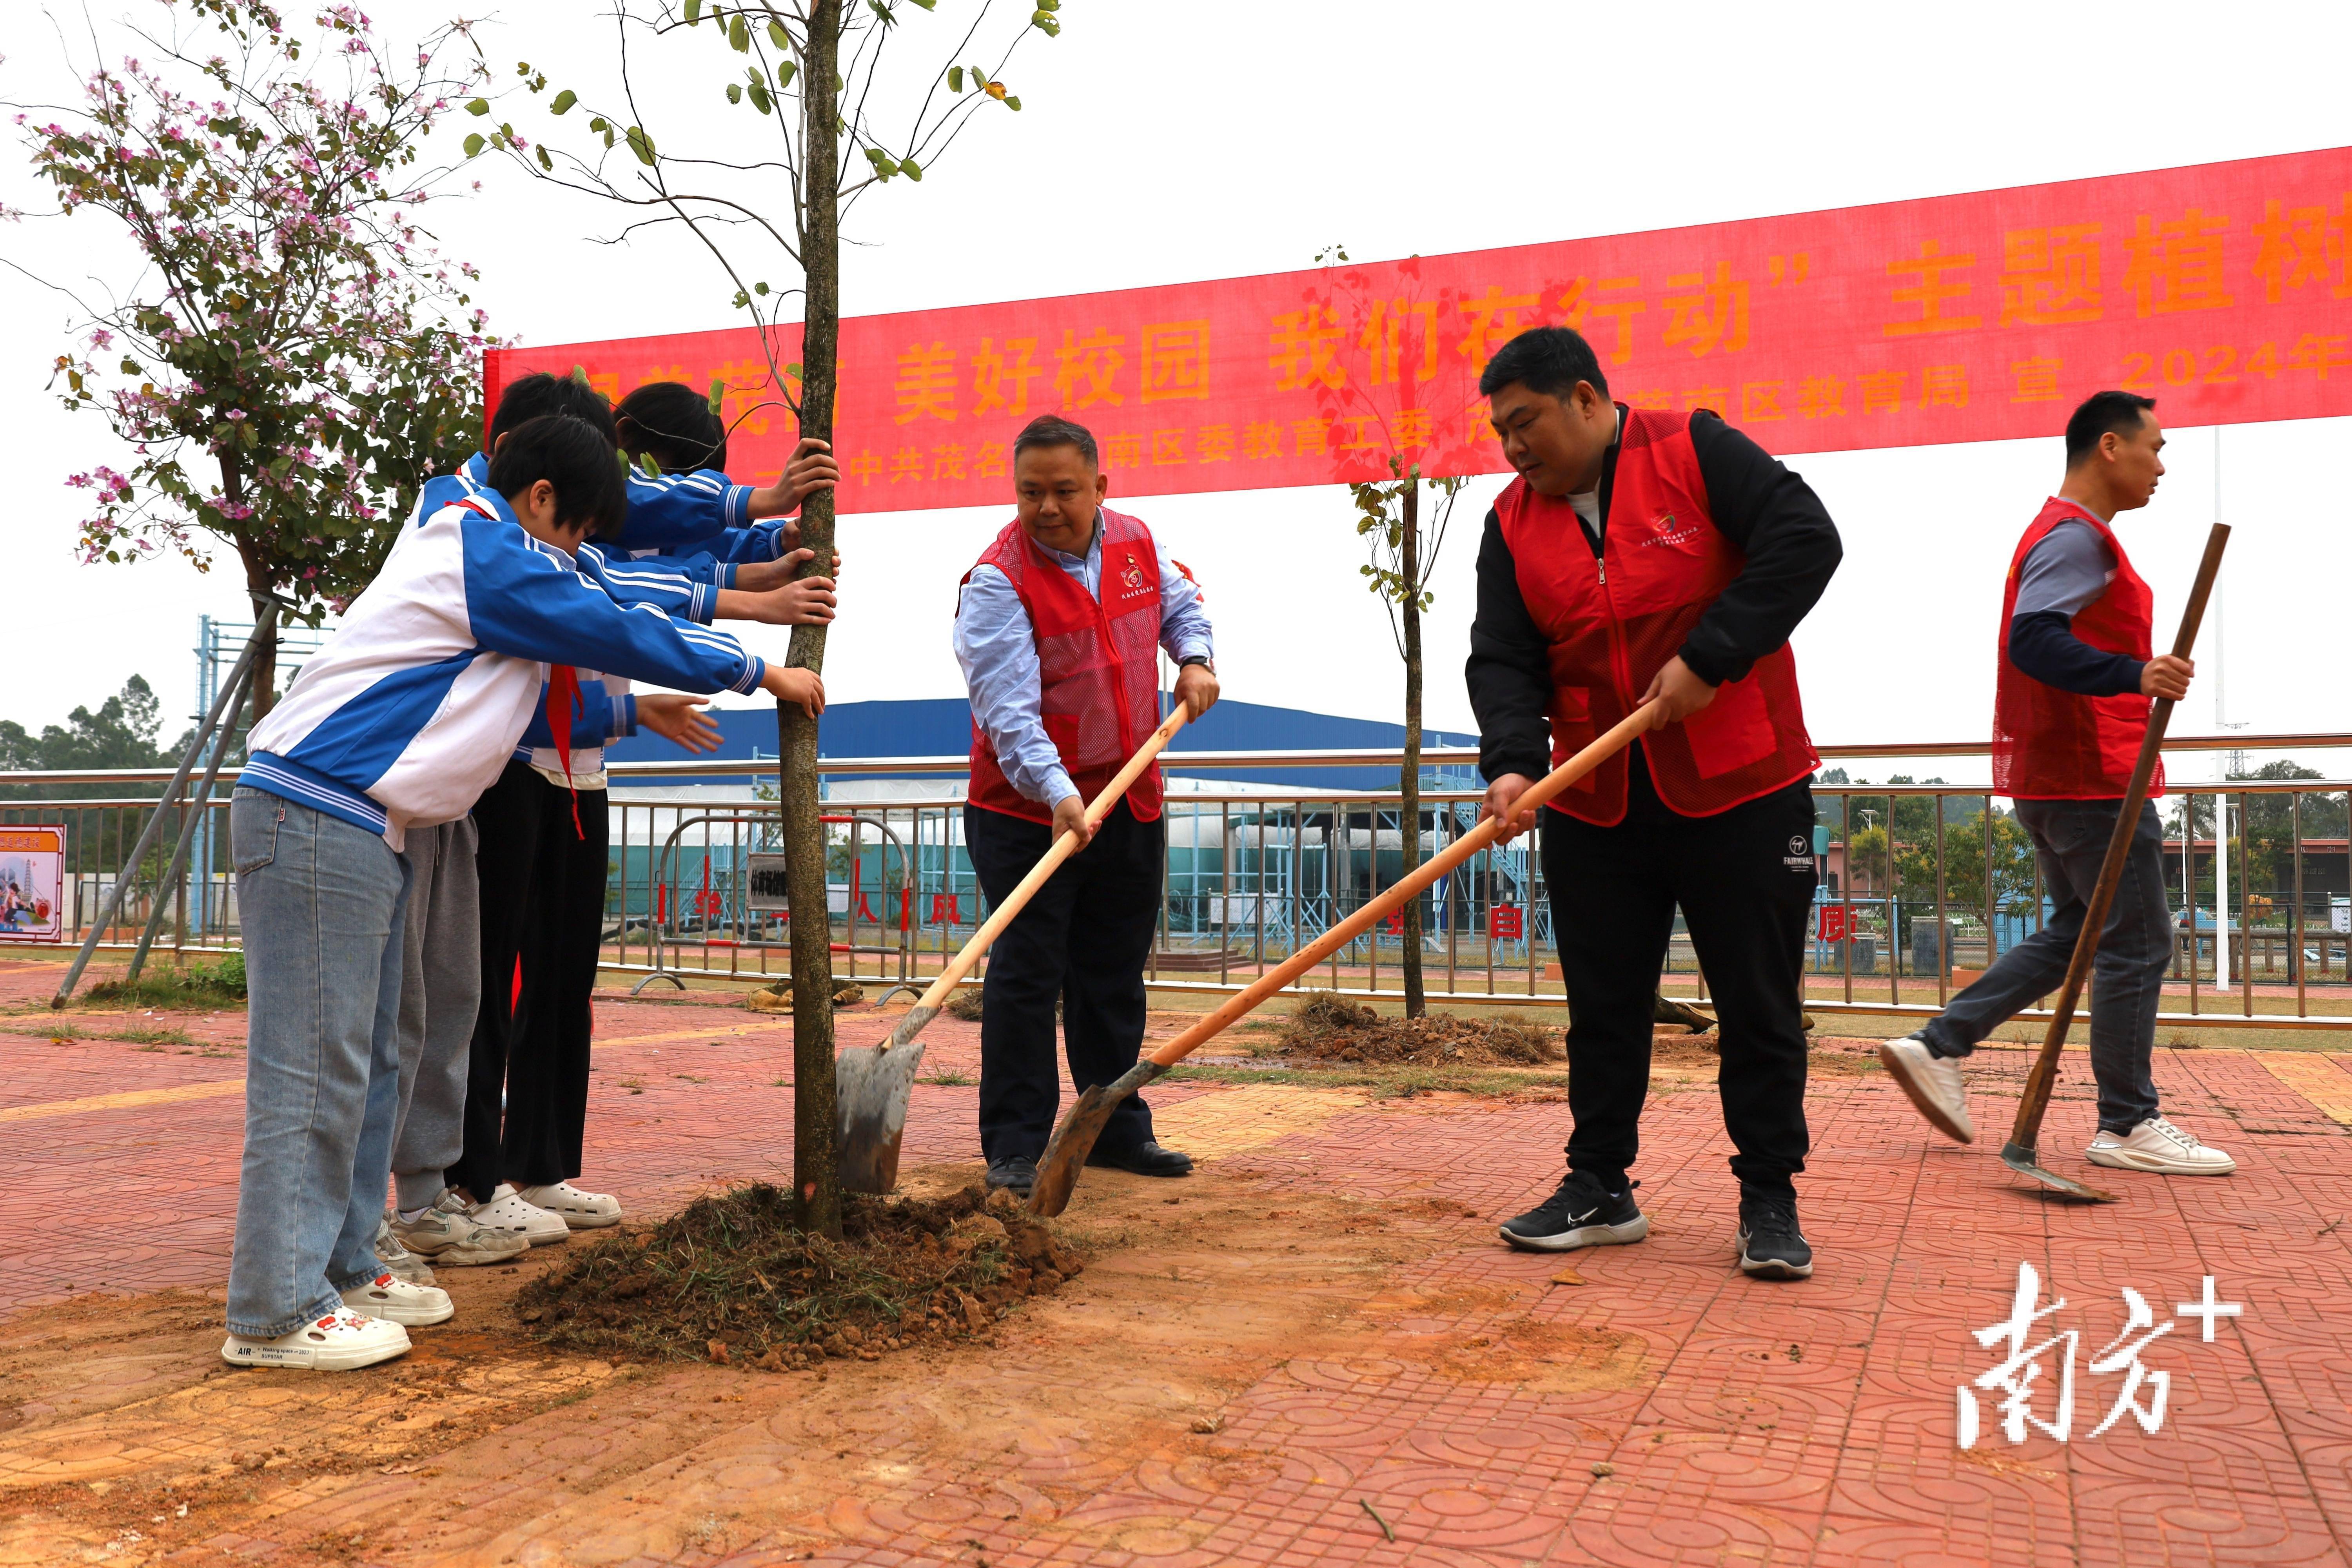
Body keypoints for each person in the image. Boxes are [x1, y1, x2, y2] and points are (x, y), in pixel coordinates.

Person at [225, 413, 822, 1372]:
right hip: (316, 816)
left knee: (377, 1058)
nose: (581, 554)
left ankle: (339, 1264)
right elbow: (606, 617)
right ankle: (273, 1307)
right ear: (542, 499)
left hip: (367, 830)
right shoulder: (478, 541)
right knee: (315, 1070)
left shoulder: (498, 560)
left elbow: (597, 621)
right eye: (580, 529)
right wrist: (758, 667)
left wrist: (732, 599)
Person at [1468, 327, 1842, 1281]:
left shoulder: (1695, 449)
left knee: (1757, 999)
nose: (1514, 448)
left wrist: (1710, 658)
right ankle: (1599, 1184)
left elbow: (1806, 540)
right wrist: (1511, 764)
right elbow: (1504, 655)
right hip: (1595, 794)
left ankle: (1769, 1196)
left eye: (1528, 423)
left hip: (1740, 783)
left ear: (1587, 400)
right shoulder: (1511, 521)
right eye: (1502, 431)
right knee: (1604, 1002)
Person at [1880, 391, 2232, 1176]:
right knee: (2138, 940)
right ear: (2110, 446)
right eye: (2156, 448)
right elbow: (2034, 640)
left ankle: (1937, 1043)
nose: (2162, 465)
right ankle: (2128, 1122)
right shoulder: (2077, 540)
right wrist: (2134, 672)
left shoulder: (2065, 535)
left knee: (2082, 928)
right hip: (2092, 777)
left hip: (2056, 774)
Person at [953, 414, 1218, 1200]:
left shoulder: (1136, 542)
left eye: (1064, 490)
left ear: (1100, 487)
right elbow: (1007, 714)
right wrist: (1062, 796)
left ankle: (1113, 1127)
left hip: (1129, 795)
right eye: (1030, 492)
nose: (1046, 508)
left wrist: (1196, 658)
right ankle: (1014, 1145)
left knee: (1111, 973)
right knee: (1027, 977)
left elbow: (1183, 605)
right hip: (1029, 809)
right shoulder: (996, 581)